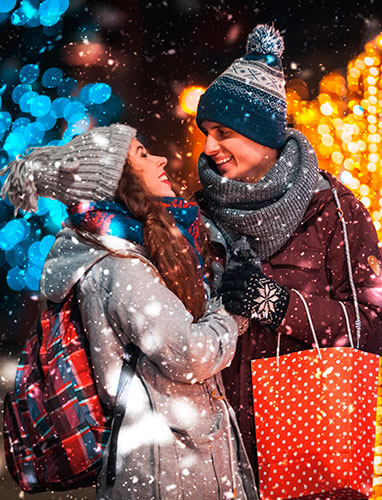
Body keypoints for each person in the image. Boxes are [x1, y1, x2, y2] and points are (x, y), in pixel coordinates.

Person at [1, 124, 258, 500]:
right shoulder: (119, 267)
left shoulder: (132, 251)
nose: (161, 159)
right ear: (118, 185)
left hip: (178, 461)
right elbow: (189, 354)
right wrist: (233, 313)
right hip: (166, 470)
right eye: (141, 155)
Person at [194, 24, 382, 478]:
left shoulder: (334, 210)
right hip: (209, 446)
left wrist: (279, 306)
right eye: (204, 131)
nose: (208, 147)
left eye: (222, 132)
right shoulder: (195, 215)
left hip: (306, 440)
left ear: (263, 135)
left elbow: (374, 326)